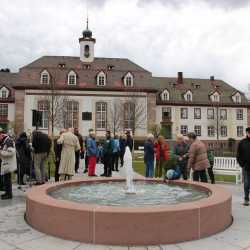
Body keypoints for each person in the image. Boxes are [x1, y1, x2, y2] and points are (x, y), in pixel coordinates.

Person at [0, 132, 17, 200]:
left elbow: (11, 152)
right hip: (7, 163)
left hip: (8, 164)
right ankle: (7, 193)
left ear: (1, 135)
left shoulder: (8, 141)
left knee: (7, 180)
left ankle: (9, 194)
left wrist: (1, 152)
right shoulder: (5, 141)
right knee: (6, 179)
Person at [237, 127, 250, 206]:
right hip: (246, 167)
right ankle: (246, 199)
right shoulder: (242, 142)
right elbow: (238, 155)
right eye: (249, 132)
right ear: (247, 133)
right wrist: (242, 164)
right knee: (246, 183)